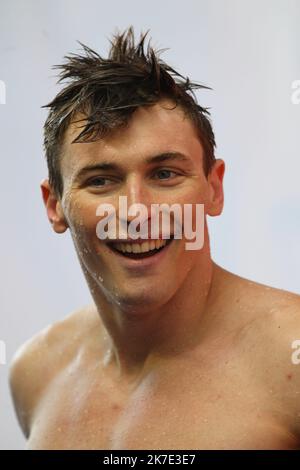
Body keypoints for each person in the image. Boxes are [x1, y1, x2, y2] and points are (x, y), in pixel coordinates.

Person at [9, 26, 300, 450]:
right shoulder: (35, 373)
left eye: (165, 174)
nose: (136, 211)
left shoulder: (289, 359)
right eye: (102, 180)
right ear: (54, 205)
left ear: (214, 188)